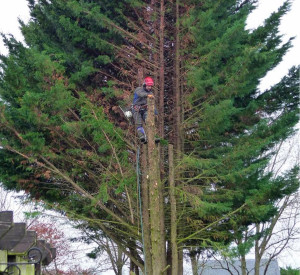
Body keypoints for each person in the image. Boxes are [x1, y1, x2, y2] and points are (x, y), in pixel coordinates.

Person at [132, 76, 155, 143]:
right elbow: (141, 94)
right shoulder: (138, 89)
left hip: (145, 109)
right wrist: (147, 95)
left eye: (150, 86)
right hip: (136, 109)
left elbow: (152, 103)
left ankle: (153, 136)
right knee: (138, 123)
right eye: (148, 86)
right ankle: (142, 136)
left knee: (149, 121)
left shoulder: (150, 93)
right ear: (144, 85)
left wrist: (154, 111)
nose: (149, 88)